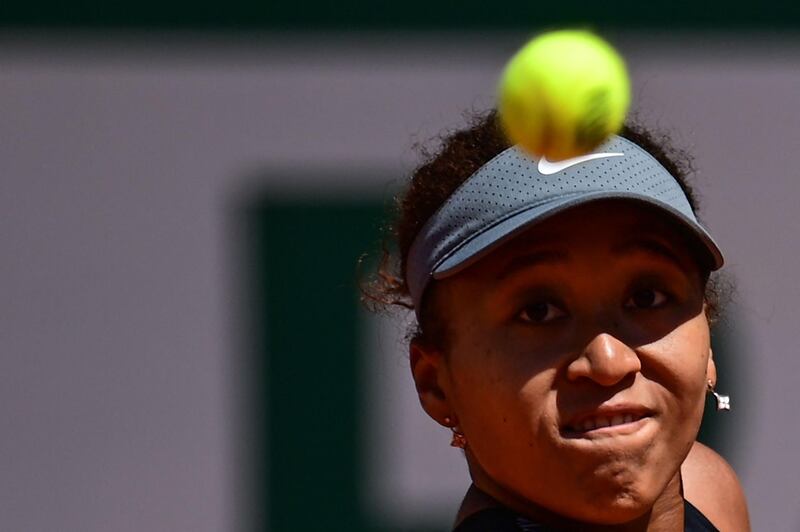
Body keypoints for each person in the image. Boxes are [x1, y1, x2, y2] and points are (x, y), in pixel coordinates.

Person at [363, 109, 750, 531]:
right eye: (539, 312)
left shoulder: (708, 489)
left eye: (646, 297)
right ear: (436, 383)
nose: (609, 361)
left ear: (708, 340)